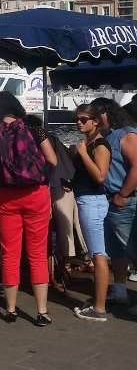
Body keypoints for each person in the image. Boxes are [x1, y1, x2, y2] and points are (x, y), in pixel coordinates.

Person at [0, 91, 57, 326]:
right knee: (37, 253)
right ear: (16, 106)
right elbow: (52, 160)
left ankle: (11, 310)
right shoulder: (34, 128)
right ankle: (42, 311)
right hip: (36, 195)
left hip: (5, 198)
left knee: (10, 253)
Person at [24, 115, 91, 274]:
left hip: (56, 184)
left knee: (64, 225)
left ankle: (67, 263)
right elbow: (69, 155)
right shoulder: (53, 137)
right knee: (75, 223)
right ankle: (87, 259)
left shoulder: (36, 139)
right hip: (68, 181)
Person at [89, 98, 137, 312]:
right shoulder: (106, 136)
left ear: (106, 114)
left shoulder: (126, 134)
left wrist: (123, 194)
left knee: (133, 249)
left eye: (95, 116)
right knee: (116, 250)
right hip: (108, 199)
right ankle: (119, 291)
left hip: (124, 200)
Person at [68, 105, 112, 321]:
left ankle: (100, 308)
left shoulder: (100, 145)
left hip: (92, 202)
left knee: (98, 254)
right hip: (87, 198)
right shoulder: (90, 142)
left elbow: (101, 176)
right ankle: (98, 302)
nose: (79, 122)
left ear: (95, 121)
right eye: (77, 119)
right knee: (98, 253)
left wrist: (83, 154)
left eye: (84, 119)